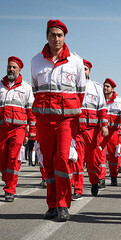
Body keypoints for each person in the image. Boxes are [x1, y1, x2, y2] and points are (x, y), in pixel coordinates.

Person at [31, 19, 86, 221]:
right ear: (46, 36)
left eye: (60, 35)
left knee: (63, 158)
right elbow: (37, 91)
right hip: (44, 120)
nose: (56, 39)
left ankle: (63, 204)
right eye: (53, 35)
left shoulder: (75, 61)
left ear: (65, 38)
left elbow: (80, 92)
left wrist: (68, 112)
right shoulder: (36, 61)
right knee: (47, 161)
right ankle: (52, 204)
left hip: (66, 121)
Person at [72, 59, 109, 200]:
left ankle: (94, 181)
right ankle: (78, 189)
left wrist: (104, 125)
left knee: (93, 160)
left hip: (92, 131)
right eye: (81, 69)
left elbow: (102, 108)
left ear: (89, 71)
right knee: (77, 160)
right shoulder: (72, 86)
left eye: (85, 69)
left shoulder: (96, 87)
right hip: (77, 130)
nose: (83, 71)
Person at [0, 56, 36, 202]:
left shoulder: (26, 87)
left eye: (14, 67)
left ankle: (10, 190)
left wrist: (32, 130)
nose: (11, 69)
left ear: (19, 70)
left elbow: (31, 111)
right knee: (2, 160)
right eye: (9, 66)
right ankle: (7, 178)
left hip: (18, 129)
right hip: (2, 129)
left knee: (13, 159)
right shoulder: (0, 86)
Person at [100, 78, 121, 187]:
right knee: (100, 155)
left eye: (108, 86)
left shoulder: (119, 100)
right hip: (102, 132)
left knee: (113, 157)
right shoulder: (100, 99)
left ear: (112, 89)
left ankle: (113, 176)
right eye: (104, 86)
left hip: (113, 133)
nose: (105, 88)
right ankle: (101, 178)